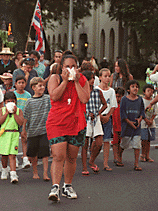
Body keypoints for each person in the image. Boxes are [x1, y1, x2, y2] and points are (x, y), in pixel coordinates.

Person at [46, 54, 89, 201]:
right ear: (62, 67)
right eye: (67, 66)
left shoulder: (82, 80)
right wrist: (65, 81)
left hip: (76, 122)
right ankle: (55, 187)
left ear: (77, 68)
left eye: (73, 66)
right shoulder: (55, 78)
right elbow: (54, 96)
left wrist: (76, 82)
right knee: (59, 155)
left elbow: (84, 99)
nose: (70, 69)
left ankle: (68, 186)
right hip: (57, 122)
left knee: (71, 157)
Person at [22, 77, 51, 180]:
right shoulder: (29, 101)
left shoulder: (47, 98)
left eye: (43, 85)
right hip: (32, 131)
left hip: (44, 130)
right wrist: (24, 130)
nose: (42, 87)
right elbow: (26, 116)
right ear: (33, 87)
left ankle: (45, 173)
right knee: (33, 154)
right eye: (40, 86)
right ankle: (35, 172)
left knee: (45, 153)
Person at [80, 70, 107, 175]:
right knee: (85, 143)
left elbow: (104, 104)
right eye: (90, 78)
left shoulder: (97, 91)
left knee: (99, 142)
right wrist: (85, 114)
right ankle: (84, 166)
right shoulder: (82, 91)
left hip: (95, 119)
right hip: (85, 119)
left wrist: (98, 113)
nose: (93, 80)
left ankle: (92, 160)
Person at [0, 91, 24, 183]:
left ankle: (13, 174)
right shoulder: (1, 111)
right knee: (4, 154)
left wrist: (15, 113)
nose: (10, 103)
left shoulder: (19, 111)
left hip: (14, 134)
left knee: (12, 155)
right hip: (4, 134)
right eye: (8, 101)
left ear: (16, 102)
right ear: (4, 102)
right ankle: (4, 169)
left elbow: (20, 123)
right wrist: (7, 113)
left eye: (12, 101)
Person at [120, 80, 146, 171]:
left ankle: (136, 163)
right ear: (128, 89)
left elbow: (142, 111)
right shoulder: (124, 99)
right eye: (133, 86)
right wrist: (129, 122)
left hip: (137, 126)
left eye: (136, 87)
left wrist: (140, 119)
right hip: (127, 126)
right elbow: (122, 113)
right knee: (124, 144)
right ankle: (119, 157)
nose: (135, 88)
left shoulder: (139, 99)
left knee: (137, 145)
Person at [95, 68, 118, 172]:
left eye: (109, 76)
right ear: (100, 77)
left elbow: (113, 105)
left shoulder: (111, 91)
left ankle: (105, 163)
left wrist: (108, 115)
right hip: (97, 117)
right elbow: (94, 105)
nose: (107, 78)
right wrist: (99, 115)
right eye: (105, 76)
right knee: (96, 141)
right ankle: (93, 161)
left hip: (107, 117)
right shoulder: (96, 89)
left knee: (107, 141)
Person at [13, 76, 31, 168]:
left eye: (23, 83)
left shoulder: (28, 95)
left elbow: (29, 108)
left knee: (24, 138)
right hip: (15, 120)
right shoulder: (13, 94)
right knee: (15, 139)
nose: (21, 85)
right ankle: (14, 158)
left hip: (24, 120)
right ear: (15, 84)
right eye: (19, 83)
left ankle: (25, 157)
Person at [140, 84, 156, 163]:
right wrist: (146, 120)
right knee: (144, 140)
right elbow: (141, 112)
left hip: (151, 123)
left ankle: (147, 155)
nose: (150, 93)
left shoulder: (153, 101)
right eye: (148, 91)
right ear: (144, 92)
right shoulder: (142, 101)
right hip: (143, 123)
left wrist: (151, 120)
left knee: (149, 140)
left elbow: (155, 112)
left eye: (152, 91)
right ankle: (142, 154)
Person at [112, 87, 125, 167]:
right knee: (115, 142)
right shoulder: (112, 104)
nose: (117, 98)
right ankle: (116, 157)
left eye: (119, 96)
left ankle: (119, 156)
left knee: (122, 143)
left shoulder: (124, 104)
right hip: (114, 126)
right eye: (116, 96)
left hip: (122, 126)